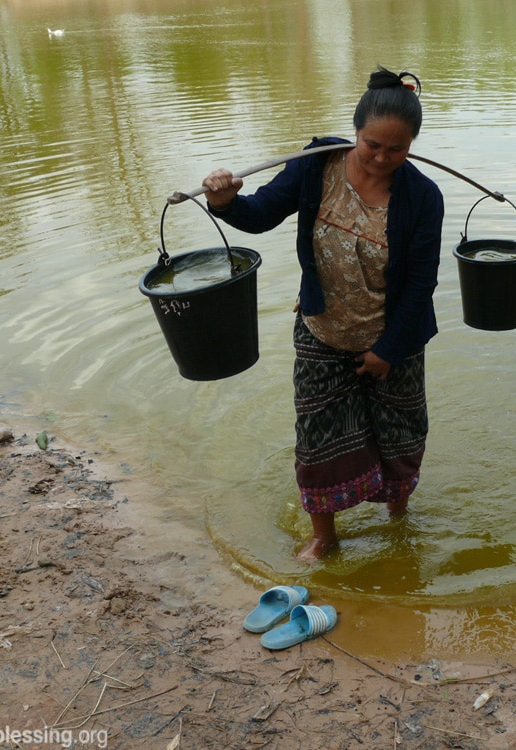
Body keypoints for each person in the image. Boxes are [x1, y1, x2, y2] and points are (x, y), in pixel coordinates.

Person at [201, 66, 445, 560]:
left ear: (412, 145)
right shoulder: (316, 165)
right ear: (356, 131)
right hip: (321, 329)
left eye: (396, 149)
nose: (381, 157)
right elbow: (261, 213)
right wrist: (225, 202)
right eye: (372, 144)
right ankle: (325, 539)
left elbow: (421, 285)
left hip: (394, 340)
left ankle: (398, 521)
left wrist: (387, 351)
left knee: (398, 437)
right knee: (316, 439)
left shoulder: (423, 198)